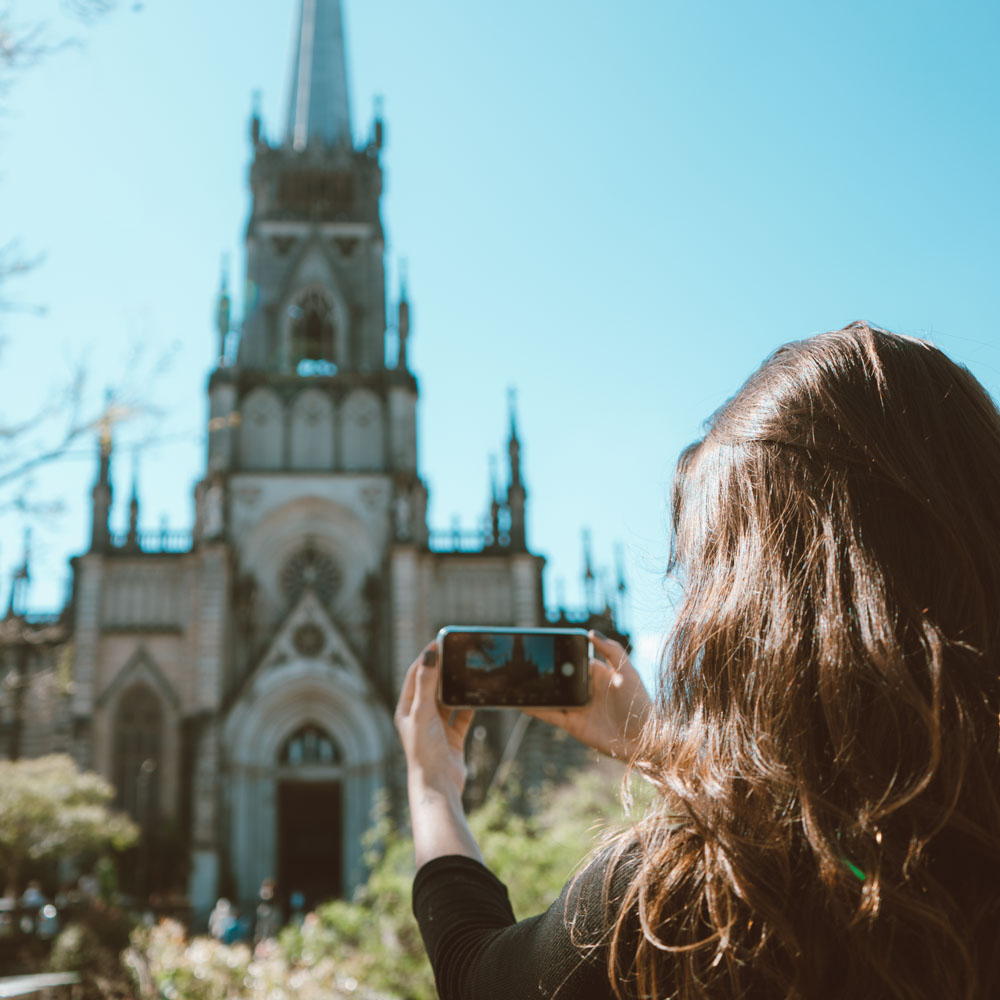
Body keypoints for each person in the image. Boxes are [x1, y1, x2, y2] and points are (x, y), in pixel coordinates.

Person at [395, 322, 1000, 999]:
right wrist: (661, 748)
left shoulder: (692, 904)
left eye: (706, 570)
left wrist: (432, 784)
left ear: (754, 606)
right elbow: (843, 826)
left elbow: (477, 973)